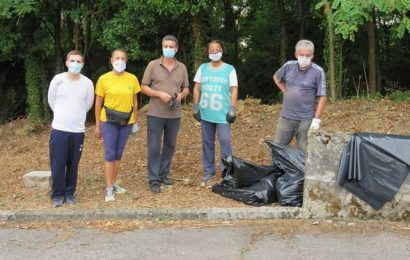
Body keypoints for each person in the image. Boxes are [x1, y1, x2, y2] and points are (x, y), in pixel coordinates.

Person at [141, 35, 190, 193]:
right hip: (155, 113)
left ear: (176, 49)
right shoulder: (153, 65)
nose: (169, 49)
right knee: (154, 147)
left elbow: (186, 88)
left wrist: (181, 96)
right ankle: (153, 179)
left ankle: (163, 174)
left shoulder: (181, 67)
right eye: (166, 46)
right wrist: (158, 94)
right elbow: (143, 87)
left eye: (171, 47)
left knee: (170, 146)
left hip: (174, 114)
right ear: (162, 47)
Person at [48, 50, 94, 207]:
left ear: (82, 64)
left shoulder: (87, 83)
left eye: (78, 61)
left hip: (77, 131)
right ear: (66, 63)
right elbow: (51, 101)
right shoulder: (58, 80)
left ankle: (69, 193)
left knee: (73, 164)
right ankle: (57, 194)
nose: (75, 64)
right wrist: (62, 116)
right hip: (60, 130)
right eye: (72, 61)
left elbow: (87, 105)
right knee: (58, 163)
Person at [95, 49, 141, 202]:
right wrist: (97, 125)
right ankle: (108, 189)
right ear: (111, 60)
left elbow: (135, 102)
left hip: (126, 122)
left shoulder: (132, 79)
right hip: (108, 121)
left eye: (123, 58)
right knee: (110, 154)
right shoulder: (103, 79)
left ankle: (113, 183)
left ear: (126, 61)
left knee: (118, 154)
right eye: (117, 58)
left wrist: (135, 121)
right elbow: (98, 103)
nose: (119, 60)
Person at [192, 40, 238, 186]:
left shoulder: (229, 69)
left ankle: (227, 171)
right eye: (211, 50)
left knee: (225, 141)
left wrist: (232, 108)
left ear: (222, 51)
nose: (214, 52)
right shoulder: (203, 68)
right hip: (206, 112)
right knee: (207, 142)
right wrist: (195, 106)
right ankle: (209, 170)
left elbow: (234, 89)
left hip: (222, 113)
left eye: (217, 49)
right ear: (207, 52)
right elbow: (196, 88)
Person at [273, 39, 327, 152]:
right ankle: (277, 169)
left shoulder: (318, 71)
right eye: (301, 55)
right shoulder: (288, 66)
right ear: (296, 55)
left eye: (307, 55)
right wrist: (284, 90)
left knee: (305, 150)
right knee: (278, 147)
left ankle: (303, 170)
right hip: (286, 117)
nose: (304, 58)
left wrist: (316, 120)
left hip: (306, 119)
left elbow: (323, 97)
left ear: (312, 56)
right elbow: (276, 78)